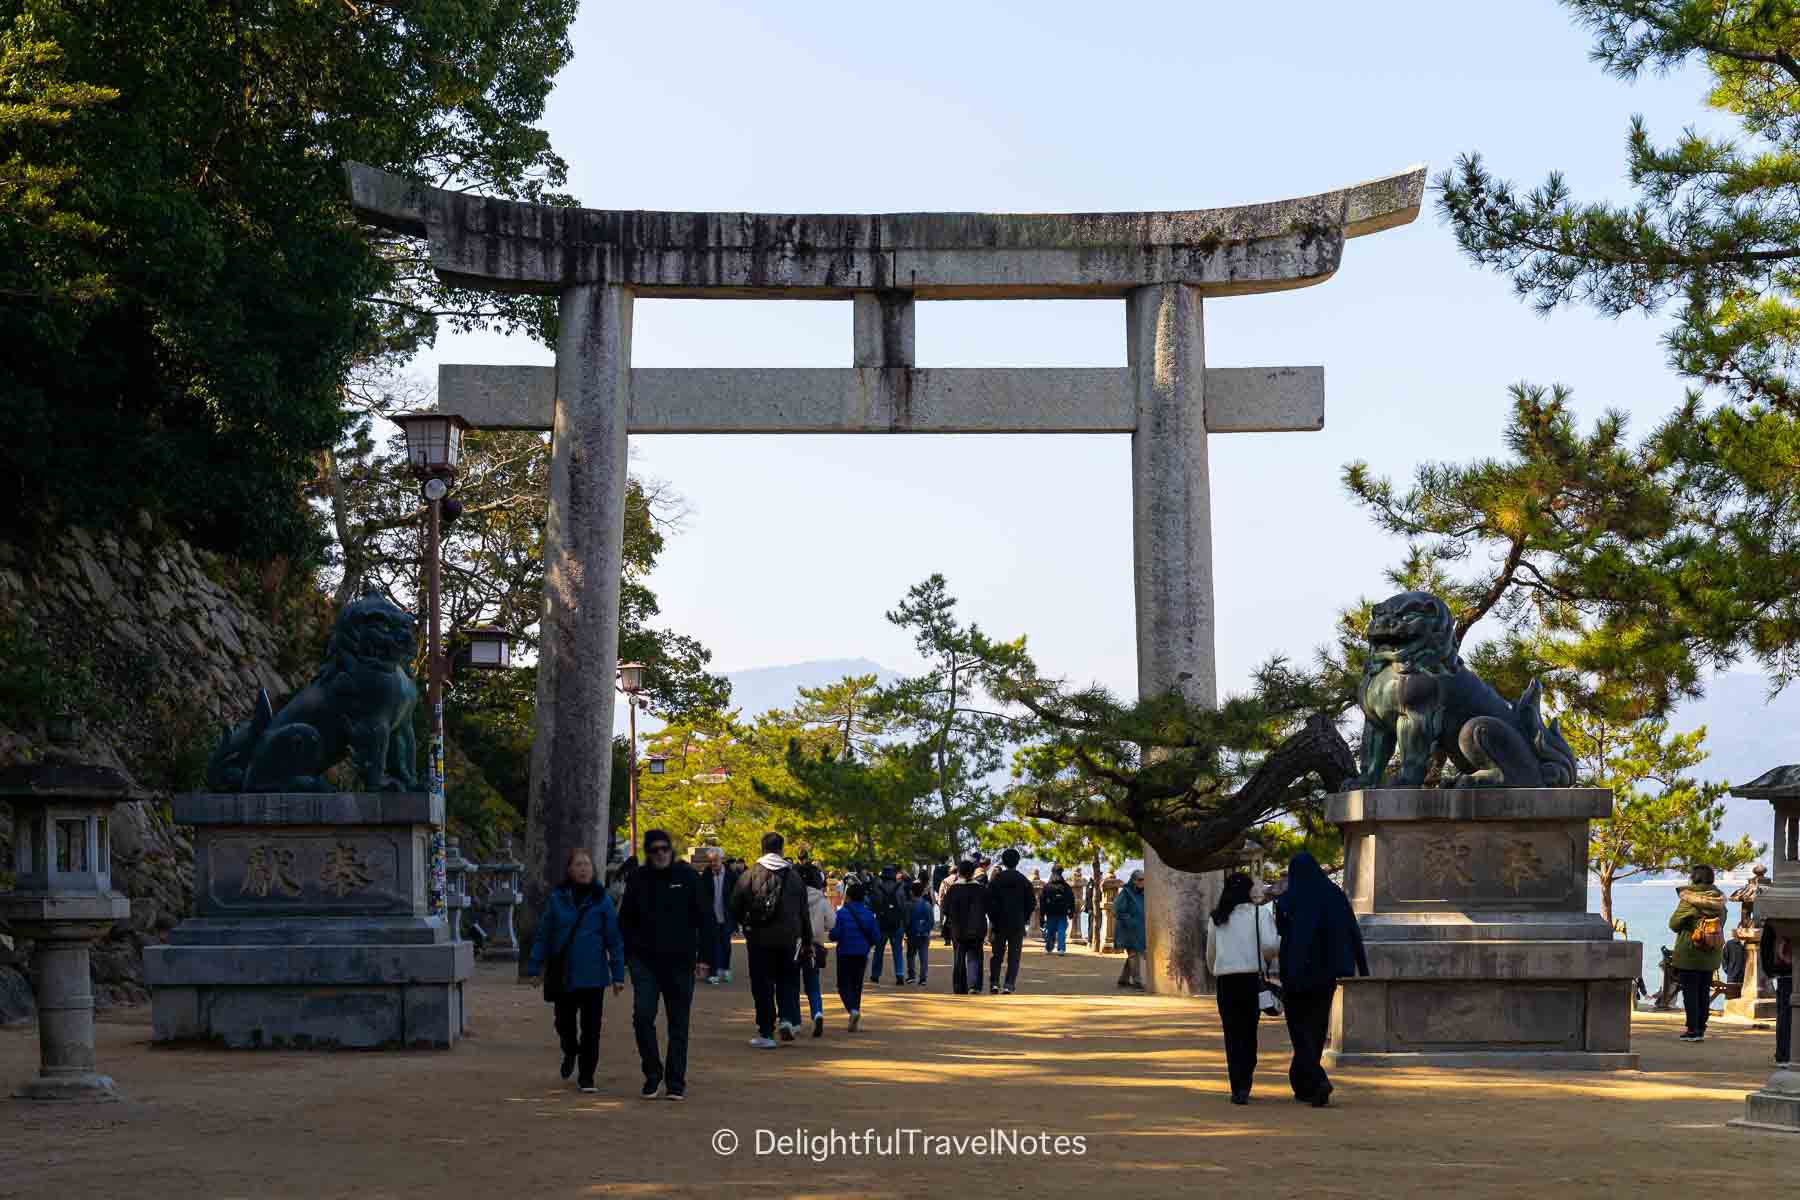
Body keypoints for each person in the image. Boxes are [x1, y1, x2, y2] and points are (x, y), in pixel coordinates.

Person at [617, 830, 714, 1101]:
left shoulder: (687, 878)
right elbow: (624, 920)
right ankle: (652, 1072)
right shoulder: (637, 879)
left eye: (664, 849)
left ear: (670, 850)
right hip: (645, 962)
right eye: (655, 849)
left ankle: (675, 1081)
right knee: (643, 1017)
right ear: (648, 852)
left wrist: (706, 957)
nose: (660, 853)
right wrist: (627, 955)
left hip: (680, 962)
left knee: (678, 1024)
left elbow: (705, 919)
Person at [526, 847, 626, 1093]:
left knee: (592, 1030)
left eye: (587, 865)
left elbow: (613, 939)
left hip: (593, 975)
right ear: (570, 870)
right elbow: (544, 934)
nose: (583, 869)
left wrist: (618, 975)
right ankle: (570, 1051)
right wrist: (534, 966)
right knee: (564, 1024)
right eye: (578, 865)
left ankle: (587, 1075)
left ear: (594, 870)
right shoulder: (557, 898)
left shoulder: (602, 900)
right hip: (565, 974)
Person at [1275, 852, 1369, 1107]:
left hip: (1294, 972)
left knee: (1298, 1030)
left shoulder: (1287, 900)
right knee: (1316, 1029)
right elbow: (1352, 928)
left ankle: (1316, 1081)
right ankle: (1305, 1083)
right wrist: (1361, 965)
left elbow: (1281, 932)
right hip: (1325, 973)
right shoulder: (1334, 895)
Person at [730, 832, 815, 1048]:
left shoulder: (749, 875)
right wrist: (806, 940)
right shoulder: (794, 877)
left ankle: (766, 1032)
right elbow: (804, 912)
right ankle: (786, 1019)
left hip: (759, 938)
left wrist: (745, 925)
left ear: (762, 848)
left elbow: (735, 905)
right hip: (789, 938)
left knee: (762, 984)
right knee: (787, 980)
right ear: (782, 849)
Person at [1206, 872, 1280, 1104]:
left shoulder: (1217, 917)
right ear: (1248, 891)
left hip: (1226, 981)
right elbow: (1269, 945)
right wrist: (1267, 956)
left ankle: (1236, 1084)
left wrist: (1215, 968)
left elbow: (1211, 952)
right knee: (1248, 1032)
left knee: (1231, 1033)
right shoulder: (1259, 913)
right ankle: (1245, 1080)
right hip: (1250, 979)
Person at [1668, 865, 1728, 1042]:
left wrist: (1689, 919)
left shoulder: (1688, 899)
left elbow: (1673, 924)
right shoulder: (1719, 900)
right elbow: (1721, 923)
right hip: (1711, 951)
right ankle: (1701, 1027)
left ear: (1694, 878)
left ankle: (1692, 1029)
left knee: (1690, 992)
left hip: (1690, 951)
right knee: (1703, 991)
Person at [830, 881, 879, 1029]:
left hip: (845, 952)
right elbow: (876, 936)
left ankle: (852, 1010)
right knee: (857, 985)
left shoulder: (841, 913)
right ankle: (855, 1012)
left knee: (843, 985)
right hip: (861, 953)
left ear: (848, 897)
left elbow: (834, 935)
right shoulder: (869, 914)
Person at [986, 848, 1036, 994]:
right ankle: (1009, 984)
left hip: (999, 923)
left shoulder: (996, 880)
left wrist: (994, 919)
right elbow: (1031, 903)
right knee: (1014, 956)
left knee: (997, 955)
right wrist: (1024, 918)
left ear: (1004, 861)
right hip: (1017, 923)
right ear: (1017, 861)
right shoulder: (1024, 881)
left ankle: (994, 982)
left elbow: (989, 902)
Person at [941, 860, 990, 995]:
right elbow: (989, 907)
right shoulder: (981, 889)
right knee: (975, 956)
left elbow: (945, 909)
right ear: (973, 872)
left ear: (960, 873)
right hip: (977, 928)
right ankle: (974, 985)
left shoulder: (954, 889)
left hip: (958, 929)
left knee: (959, 958)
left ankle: (959, 987)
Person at [800, 862, 835, 1036]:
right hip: (815, 944)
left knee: (790, 981)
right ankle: (817, 1012)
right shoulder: (821, 899)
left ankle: (793, 1020)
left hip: (794, 943)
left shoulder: (793, 897)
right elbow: (832, 922)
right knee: (813, 983)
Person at [868, 865, 910, 985]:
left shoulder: (877, 888)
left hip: (881, 922)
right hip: (897, 923)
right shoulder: (900, 888)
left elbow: (873, 907)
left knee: (879, 950)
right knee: (897, 950)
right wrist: (905, 923)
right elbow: (903, 907)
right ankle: (900, 974)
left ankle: (875, 975)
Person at [701, 848, 738, 985]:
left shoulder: (730, 875)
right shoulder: (706, 875)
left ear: (721, 859)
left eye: (715, 860)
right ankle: (714, 972)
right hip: (712, 917)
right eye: (710, 861)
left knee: (726, 945)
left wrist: (736, 917)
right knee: (714, 945)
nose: (713, 863)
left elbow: (737, 895)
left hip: (727, 916)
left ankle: (725, 969)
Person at [1761, 919, 1793, 1067]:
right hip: (1788, 969)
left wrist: (1769, 970)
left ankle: (1784, 1054)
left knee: (1785, 1014)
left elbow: (1766, 944)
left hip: (1785, 969)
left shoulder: (1775, 917)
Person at [1114, 870, 1147, 989]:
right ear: (1133, 881)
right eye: (1140, 880)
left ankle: (1123, 979)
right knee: (1134, 954)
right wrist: (1130, 921)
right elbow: (1117, 910)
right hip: (1127, 929)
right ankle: (1137, 981)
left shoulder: (1142, 893)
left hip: (1138, 929)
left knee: (1134, 953)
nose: (1142, 882)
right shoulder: (1126, 893)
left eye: (1143, 879)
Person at [1040, 866, 1075, 956]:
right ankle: (1061, 949)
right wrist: (1071, 911)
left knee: (1050, 930)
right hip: (1062, 912)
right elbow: (1071, 899)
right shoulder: (1066, 886)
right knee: (1061, 930)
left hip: (1050, 912)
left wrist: (1042, 914)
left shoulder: (1047, 886)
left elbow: (1042, 901)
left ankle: (1048, 948)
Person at [905, 879, 934, 987]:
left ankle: (911, 976)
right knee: (923, 957)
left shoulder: (908, 905)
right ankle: (923, 978)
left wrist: (906, 931)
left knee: (910, 955)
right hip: (924, 935)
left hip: (911, 934)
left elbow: (906, 921)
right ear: (922, 892)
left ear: (911, 892)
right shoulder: (927, 905)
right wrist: (925, 930)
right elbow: (930, 922)